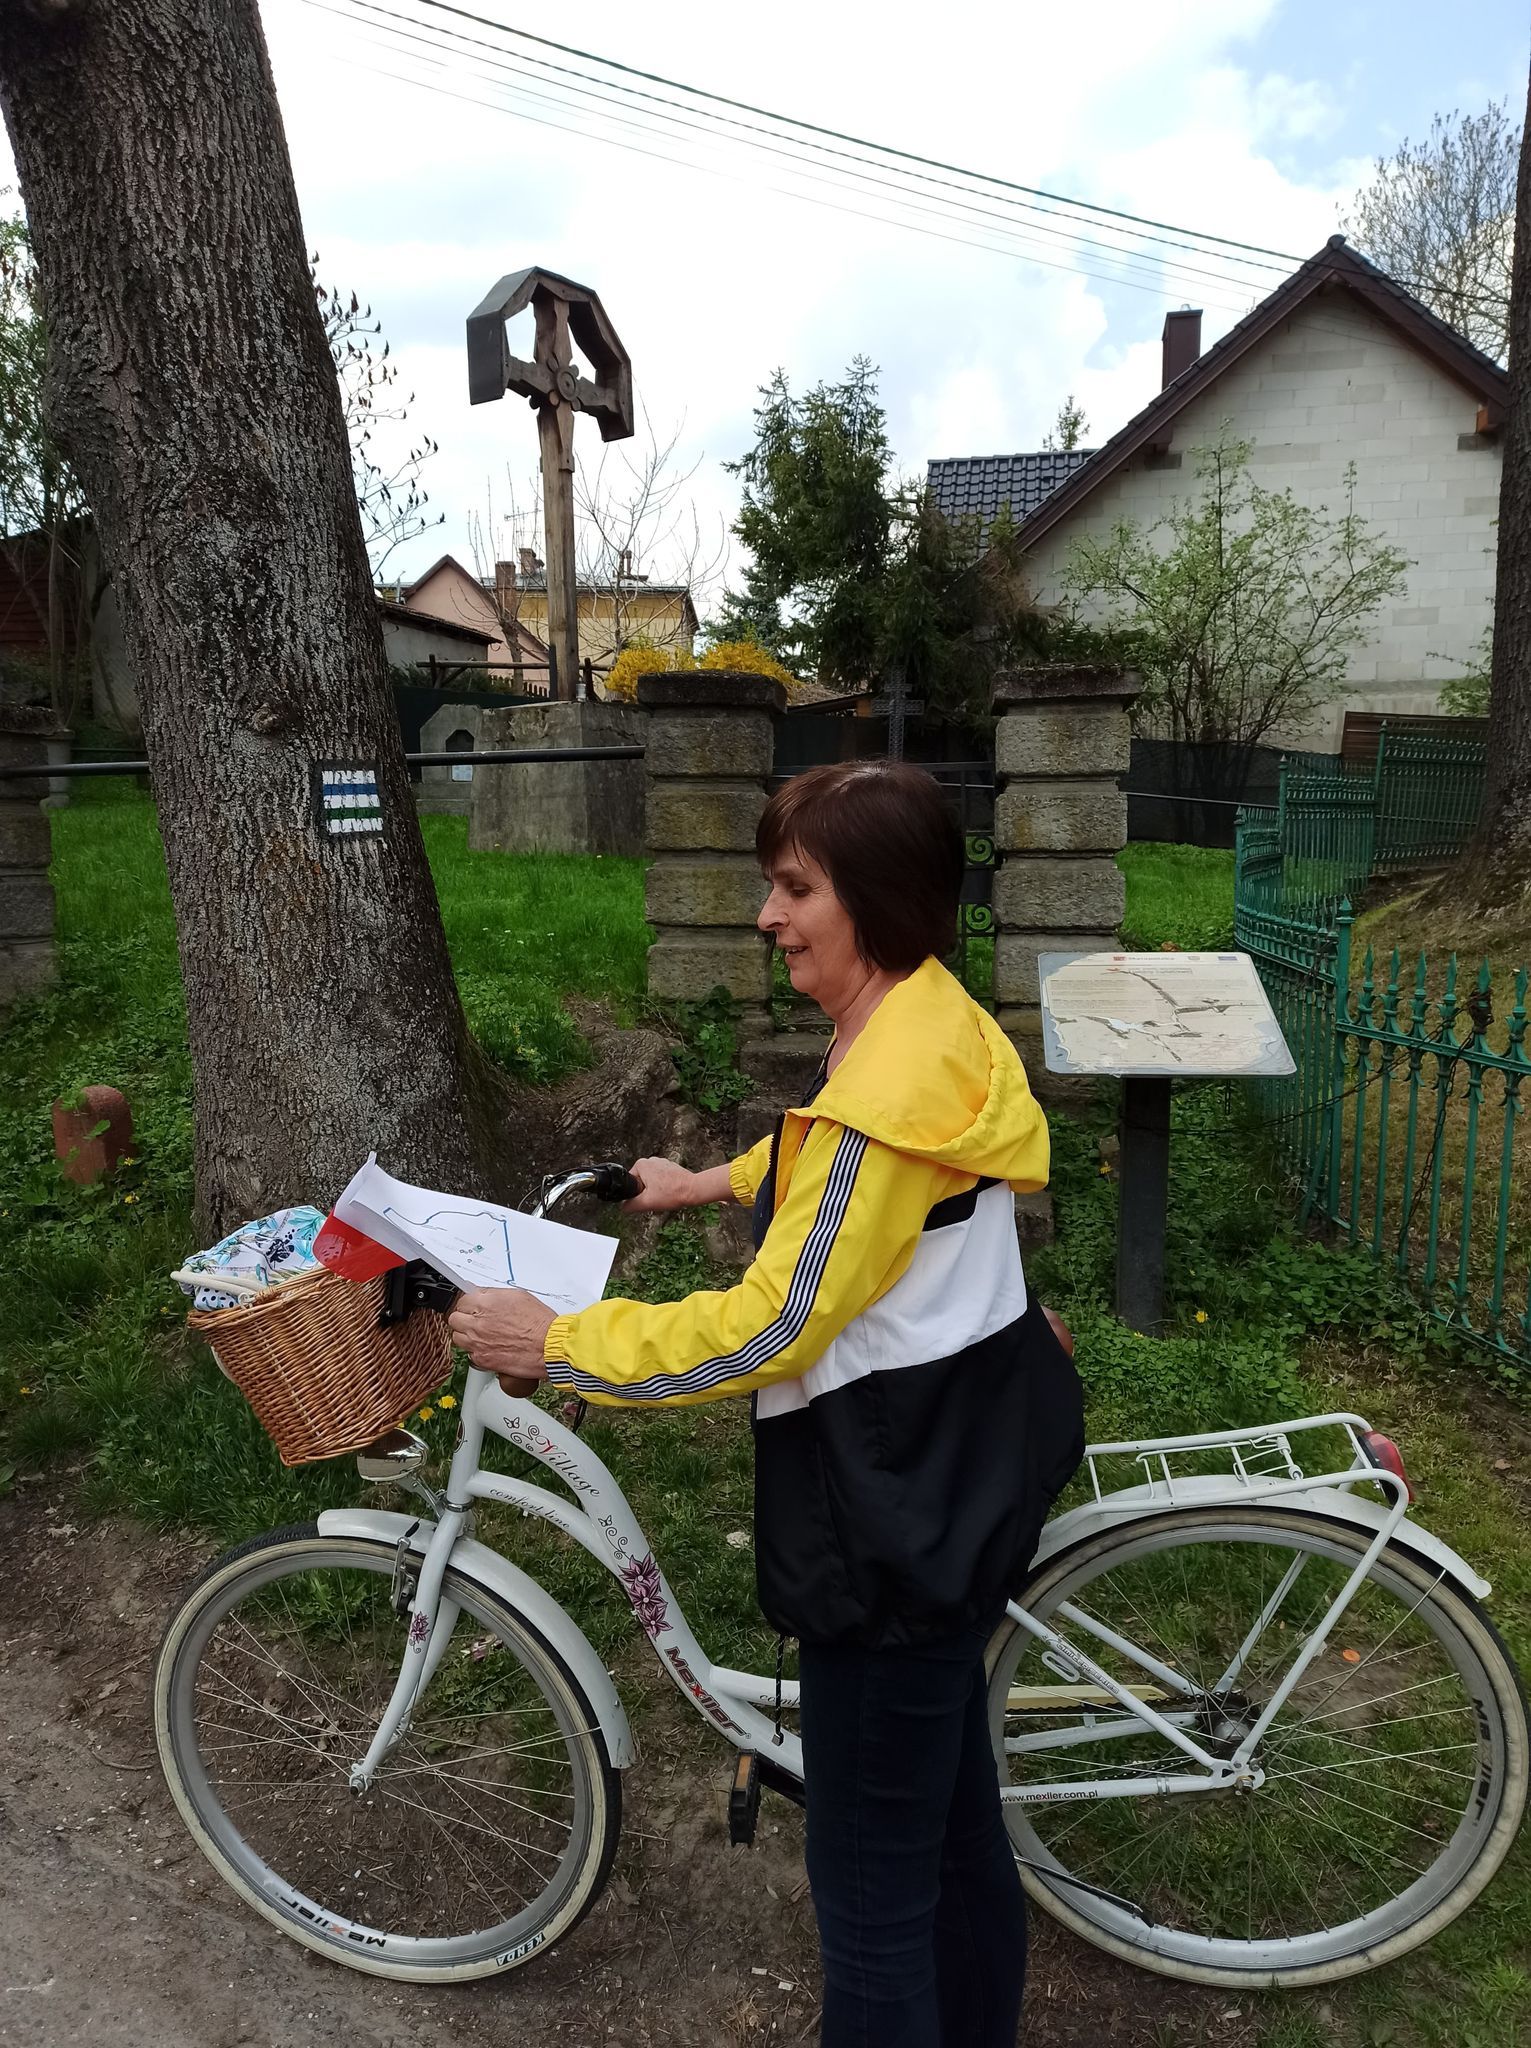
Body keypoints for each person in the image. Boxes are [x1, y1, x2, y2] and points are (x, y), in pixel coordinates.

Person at [448, 759, 1086, 2048]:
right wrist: (712, 1183)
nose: (767, 915)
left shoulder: (884, 1097)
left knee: (873, 1910)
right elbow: (833, 1157)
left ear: (877, 901)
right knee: (957, 1842)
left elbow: (771, 1325)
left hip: (893, 1532)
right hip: (970, 1471)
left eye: (796, 889)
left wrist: (558, 1341)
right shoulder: (929, 1020)